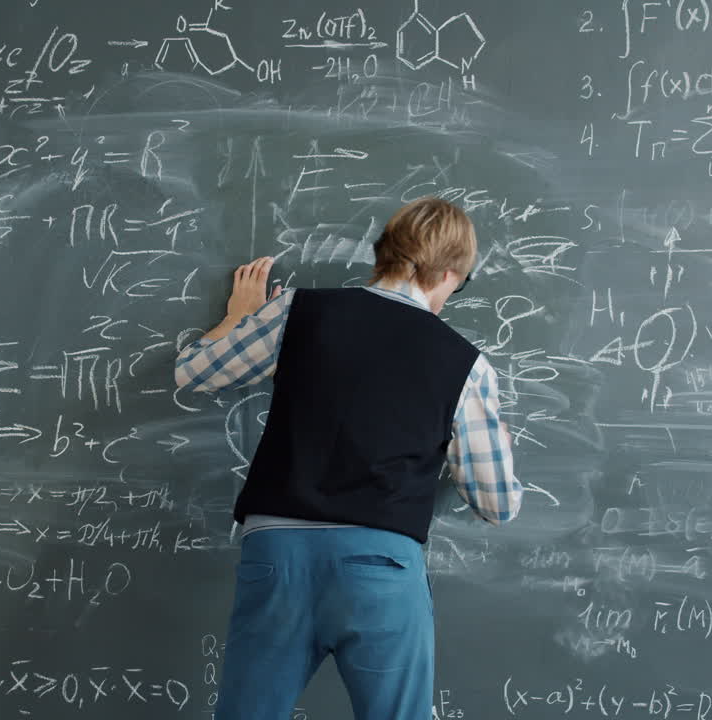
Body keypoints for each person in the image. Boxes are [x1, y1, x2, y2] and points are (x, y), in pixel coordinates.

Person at [173, 196, 523, 719]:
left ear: (384, 253)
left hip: (278, 553)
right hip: (381, 566)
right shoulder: (465, 366)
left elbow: (193, 373)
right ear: (449, 273)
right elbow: (498, 505)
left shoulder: (296, 311)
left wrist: (237, 318)